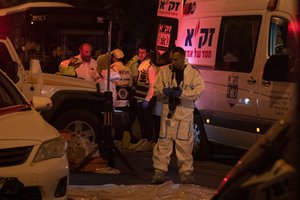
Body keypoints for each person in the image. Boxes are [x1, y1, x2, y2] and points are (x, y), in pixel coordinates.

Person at [152, 46, 205, 184]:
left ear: (183, 58)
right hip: (168, 113)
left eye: (176, 59)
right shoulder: (165, 72)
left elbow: (199, 90)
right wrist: (164, 91)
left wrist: (181, 94)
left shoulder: (193, 73)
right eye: (172, 59)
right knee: (164, 142)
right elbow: (156, 88)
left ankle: (186, 173)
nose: (173, 62)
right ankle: (159, 171)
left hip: (184, 114)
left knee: (185, 144)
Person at [129, 43, 157, 152]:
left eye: (143, 52)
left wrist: (147, 99)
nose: (140, 54)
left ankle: (149, 141)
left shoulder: (149, 67)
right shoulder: (141, 65)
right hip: (140, 98)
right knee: (142, 121)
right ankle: (144, 139)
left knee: (147, 120)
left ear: (147, 53)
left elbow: (152, 85)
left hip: (146, 99)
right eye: (139, 52)